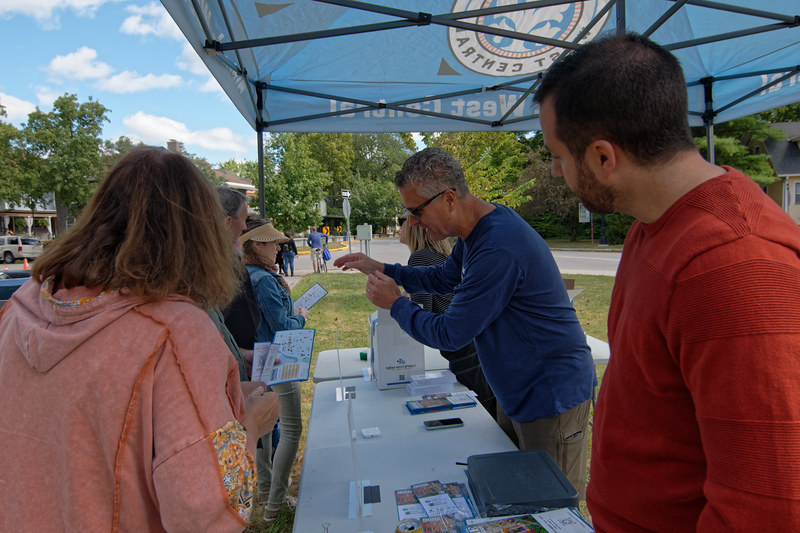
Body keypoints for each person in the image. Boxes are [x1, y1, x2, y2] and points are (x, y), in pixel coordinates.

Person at [534, 33, 800, 531]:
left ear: (602, 159)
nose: (554, 170)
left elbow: (768, 508)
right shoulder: (654, 222)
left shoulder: (738, 264)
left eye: (557, 156)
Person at [0, 147, 280, 532]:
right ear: (200, 233)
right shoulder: (175, 333)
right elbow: (204, 508)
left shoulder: (16, 312)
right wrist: (247, 429)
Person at [334, 147, 596, 498]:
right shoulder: (476, 233)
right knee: (519, 494)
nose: (412, 222)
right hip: (519, 390)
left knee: (552, 500)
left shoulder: (497, 247)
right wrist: (382, 268)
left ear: (449, 199)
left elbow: (452, 332)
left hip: (550, 396)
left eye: (415, 211)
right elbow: (444, 278)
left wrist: (396, 304)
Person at [241, 218, 310, 522]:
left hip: (258, 358)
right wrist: (301, 316)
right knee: (292, 429)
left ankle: (266, 489)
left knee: (265, 429)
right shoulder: (265, 279)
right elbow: (282, 326)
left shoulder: (245, 273)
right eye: (273, 242)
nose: (279, 246)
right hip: (279, 358)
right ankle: (275, 504)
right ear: (256, 244)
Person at [399, 217, 497, 419]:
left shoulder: (420, 257)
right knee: (484, 406)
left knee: (479, 412)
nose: (402, 224)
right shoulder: (441, 255)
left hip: (458, 347)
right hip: (472, 343)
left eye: (405, 220)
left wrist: (398, 303)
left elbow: (423, 310)